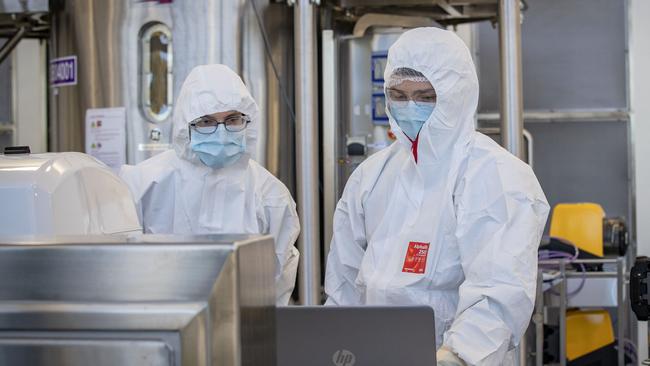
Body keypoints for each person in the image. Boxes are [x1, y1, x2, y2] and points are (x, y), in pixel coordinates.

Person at [324, 27, 549, 366]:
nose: (409, 107)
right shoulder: (372, 176)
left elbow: (499, 293)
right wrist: (335, 345)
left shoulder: (495, 176)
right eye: (398, 95)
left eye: (426, 97)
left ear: (457, 95)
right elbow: (344, 281)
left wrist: (455, 358)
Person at [120, 64, 300, 305]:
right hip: (160, 322)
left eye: (232, 119)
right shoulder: (143, 184)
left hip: (246, 328)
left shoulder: (271, 195)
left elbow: (278, 282)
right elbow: (125, 272)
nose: (222, 133)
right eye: (206, 122)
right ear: (186, 125)